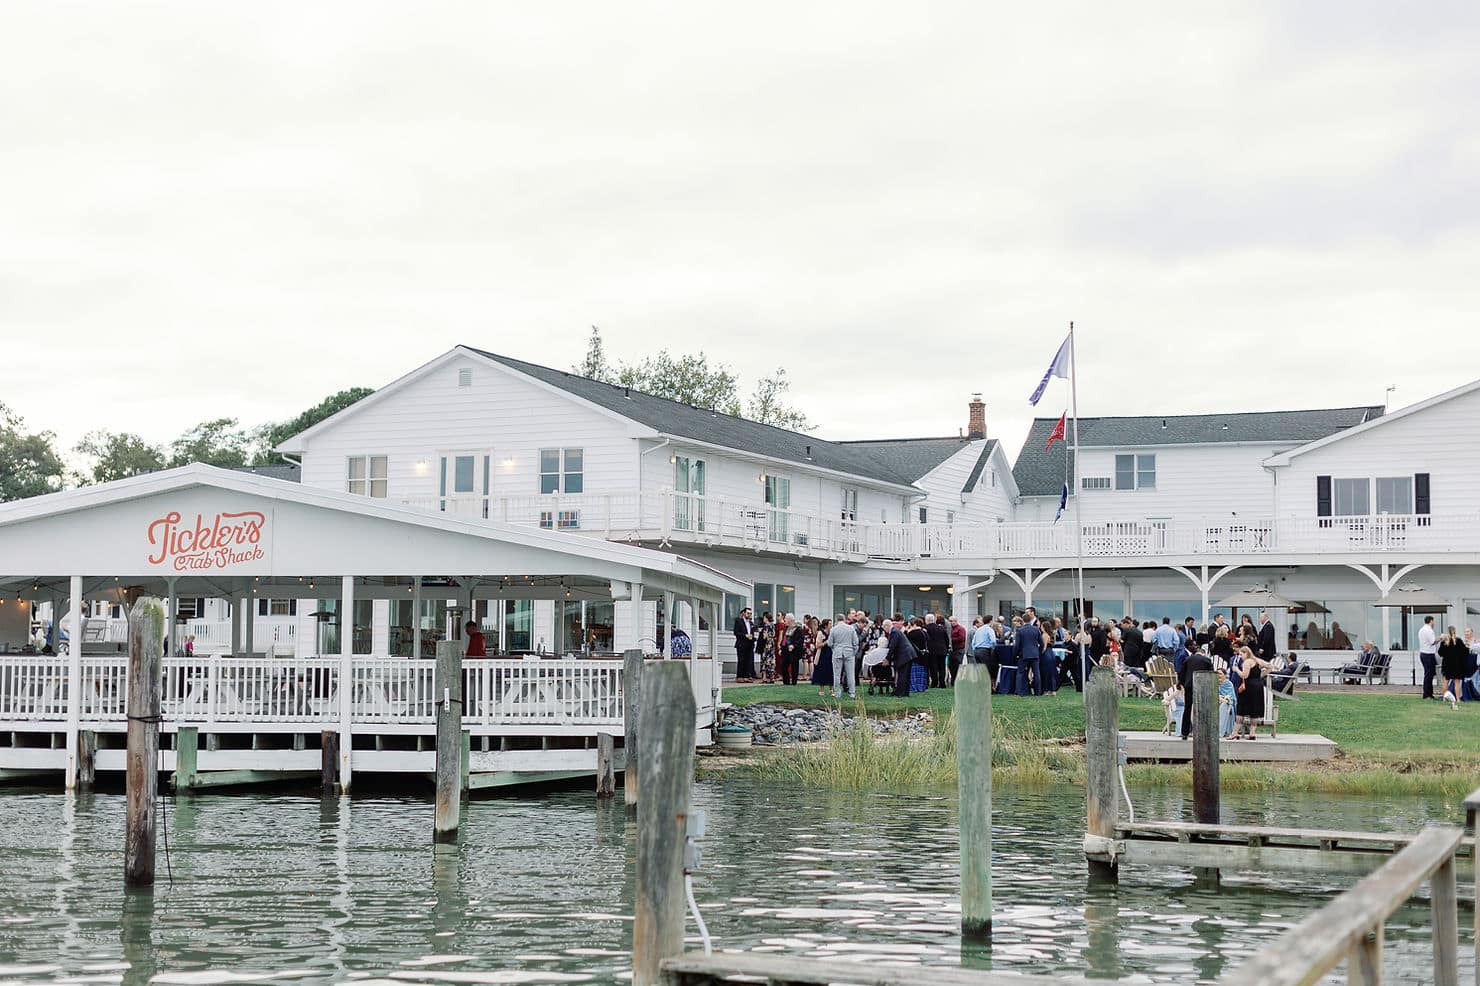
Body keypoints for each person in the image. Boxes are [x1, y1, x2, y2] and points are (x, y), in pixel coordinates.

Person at [1231, 646, 1272, 739]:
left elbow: (1245, 675)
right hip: (1258, 686)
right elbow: (1270, 667)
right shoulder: (1257, 660)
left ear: (1246, 653)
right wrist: (1259, 676)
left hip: (1249, 687)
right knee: (1254, 709)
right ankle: (1252, 733)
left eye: (1241, 654)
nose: (1240, 657)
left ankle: (1235, 733)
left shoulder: (1247, 662)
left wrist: (1236, 669)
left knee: (1241, 710)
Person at [1178, 646, 1213, 739]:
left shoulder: (1188, 659)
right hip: (1202, 686)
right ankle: (1202, 731)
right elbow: (1211, 675)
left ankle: (1184, 732)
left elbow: (1181, 674)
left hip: (1189, 686)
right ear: (1204, 653)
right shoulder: (1207, 660)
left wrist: (1184, 683)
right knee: (1202, 708)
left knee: (1187, 708)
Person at [827, 613, 858, 699]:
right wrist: (854, 652)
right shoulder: (851, 628)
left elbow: (829, 643)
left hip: (837, 652)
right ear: (844, 620)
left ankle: (837, 693)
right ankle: (852, 693)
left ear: (836, 620)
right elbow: (855, 642)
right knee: (850, 674)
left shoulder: (833, 629)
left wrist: (834, 648)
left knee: (836, 674)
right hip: (849, 652)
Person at [1013, 615, 1045, 697]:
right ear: (1030, 620)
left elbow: (1017, 645)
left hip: (1024, 655)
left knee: (1020, 673)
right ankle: (1037, 692)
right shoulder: (1036, 629)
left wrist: (1016, 654)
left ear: (1023, 620)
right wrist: (1038, 652)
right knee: (1036, 673)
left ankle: (1019, 692)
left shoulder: (1020, 630)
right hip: (1034, 654)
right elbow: (1041, 643)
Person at [1437, 626, 1468, 705]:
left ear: (1447, 632)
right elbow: (1465, 652)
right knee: (1457, 683)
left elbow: (1440, 653)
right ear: (1455, 631)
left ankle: (1444, 698)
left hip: (1447, 664)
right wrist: (1467, 646)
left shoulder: (1444, 642)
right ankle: (1458, 699)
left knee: (1445, 682)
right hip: (1457, 665)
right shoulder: (1459, 641)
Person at [885, 618, 914, 698]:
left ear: (886, 626)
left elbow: (892, 646)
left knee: (902, 674)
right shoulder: (896, 631)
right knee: (906, 674)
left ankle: (900, 692)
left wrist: (887, 658)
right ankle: (905, 692)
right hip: (908, 654)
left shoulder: (894, 632)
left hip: (904, 655)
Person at [924, 613, 950, 688]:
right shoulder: (942, 628)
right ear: (934, 620)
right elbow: (947, 639)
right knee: (942, 667)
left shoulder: (926, 628)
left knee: (933, 667)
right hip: (942, 650)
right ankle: (942, 683)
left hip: (932, 650)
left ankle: (934, 682)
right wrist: (946, 648)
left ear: (927, 620)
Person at [906, 618, 931, 692]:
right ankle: (922, 686)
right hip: (924, 655)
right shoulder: (924, 633)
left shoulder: (911, 633)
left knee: (914, 672)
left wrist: (907, 630)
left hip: (915, 655)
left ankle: (914, 687)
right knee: (922, 672)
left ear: (914, 624)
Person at [811, 619, 834, 696]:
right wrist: (825, 642)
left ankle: (831, 690)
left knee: (830, 671)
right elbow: (817, 645)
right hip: (822, 655)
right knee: (822, 671)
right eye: (830, 624)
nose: (831, 625)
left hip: (830, 654)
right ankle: (821, 690)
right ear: (826, 625)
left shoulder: (832, 632)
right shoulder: (820, 633)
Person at [780, 613, 805, 686]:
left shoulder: (798, 629)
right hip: (785, 650)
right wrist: (781, 648)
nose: (784, 620)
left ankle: (794, 682)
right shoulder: (786, 628)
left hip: (794, 651)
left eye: (785, 619)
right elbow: (784, 639)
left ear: (790, 620)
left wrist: (794, 646)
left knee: (794, 667)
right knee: (783, 666)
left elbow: (800, 640)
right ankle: (786, 682)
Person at [1418, 615, 1439, 700]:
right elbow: (1433, 641)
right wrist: (1441, 638)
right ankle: (1426, 694)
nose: (1434, 623)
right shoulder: (1429, 630)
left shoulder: (1421, 629)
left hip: (1423, 653)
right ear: (1431, 621)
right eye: (1433, 621)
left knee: (1429, 674)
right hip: (1428, 654)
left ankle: (1430, 694)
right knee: (1428, 675)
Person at [733, 606, 756, 681]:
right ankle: (739, 676)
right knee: (741, 660)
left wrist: (752, 638)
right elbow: (736, 632)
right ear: (744, 613)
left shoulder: (751, 623)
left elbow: (752, 633)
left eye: (750, 613)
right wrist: (745, 635)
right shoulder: (739, 621)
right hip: (741, 644)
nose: (749, 615)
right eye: (748, 613)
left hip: (749, 644)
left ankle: (746, 676)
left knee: (748, 661)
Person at [947, 615, 967, 685]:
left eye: (952, 621)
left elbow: (962, 638)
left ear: (956, 621)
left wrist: (950, 640)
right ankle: (953, 680)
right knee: (951, 666)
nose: (951, 622)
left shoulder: (960, 629)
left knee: (957, 666)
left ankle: (957, 681)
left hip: (958, 650)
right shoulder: (949, 629)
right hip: (951, 650)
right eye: (950, 621)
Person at [1217, 669, 1237, 738]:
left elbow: (1231, 697)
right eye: (1217, 674)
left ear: (1225, 675)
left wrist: (1224, 699)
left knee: (1225, 706)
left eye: (1220, 674)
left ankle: (1222, 731)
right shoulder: (1214, 683)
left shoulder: (1228, 684)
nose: (1218, 675)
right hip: (1217, 703)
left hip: (1228, 703)